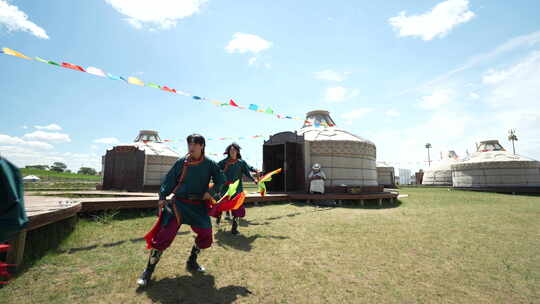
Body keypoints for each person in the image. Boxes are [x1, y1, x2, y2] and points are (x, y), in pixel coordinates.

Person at [137, 134, 226, 287]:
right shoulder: (181, 163)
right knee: (164, 235)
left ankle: (192, 261)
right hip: (178, 204)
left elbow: (221, 180)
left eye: (194, 144)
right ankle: (148, 271)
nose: (191, 147)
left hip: (198, 206)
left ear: (202, 146)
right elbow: (169, 179)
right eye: (189, 144)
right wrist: (162, 196)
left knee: (205, 234)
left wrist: (210, 193)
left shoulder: (210, 164)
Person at [216, 143, 259, 235]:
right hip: (226, 189)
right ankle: (218, 219)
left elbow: (247, 172)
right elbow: (215, 170)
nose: (232, 152)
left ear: (237, 151)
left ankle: (234, 229)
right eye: (231, 150)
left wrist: (253, 179)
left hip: (237, 189)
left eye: (234, 150)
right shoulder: (223, 162)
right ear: (228, 152)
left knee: (237, 208)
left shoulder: (241, 163)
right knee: (222, 206)